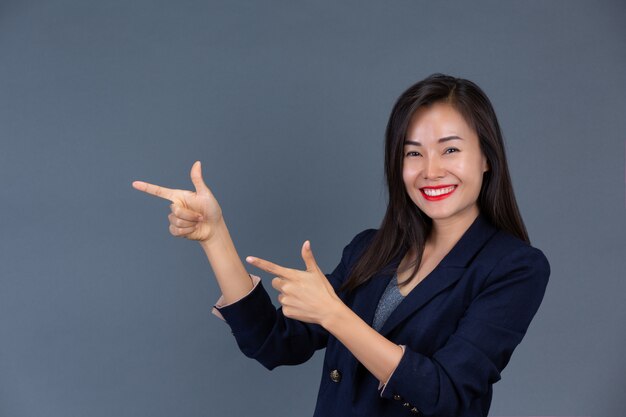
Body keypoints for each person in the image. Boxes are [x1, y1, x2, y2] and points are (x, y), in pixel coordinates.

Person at [132, 73, 550, 417]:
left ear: (486, 158)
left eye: (451, 150)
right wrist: (214, 236)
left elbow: (446, 393)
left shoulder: (514, 267)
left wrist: (335, 316)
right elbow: (276, 343)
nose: (431, 171)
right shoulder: (372, 249)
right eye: (413, 154)